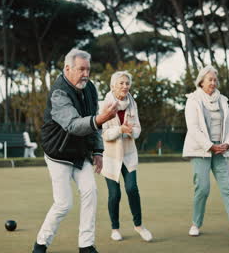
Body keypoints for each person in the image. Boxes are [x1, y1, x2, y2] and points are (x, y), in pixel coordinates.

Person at [32, 48, 118, 253]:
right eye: (81, 69)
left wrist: (98, 151)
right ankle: (41, 244)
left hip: (80, 153)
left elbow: (92, 121)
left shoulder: (90, 88)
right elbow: (73, 125)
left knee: (91, 192)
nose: (86, 74)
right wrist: (100, 120)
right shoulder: (59, 92)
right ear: (68, 68)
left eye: (88, 69)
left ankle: (86, 245)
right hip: (58, 154)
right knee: (64, 204)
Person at [183, 65, 229, 241]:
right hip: (200, 150)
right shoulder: (193, 100)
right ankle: (195, 224)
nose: (213, 83)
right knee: (202, 188)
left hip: (221, 150)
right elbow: (193, 128)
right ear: (201, 81)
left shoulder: (223, 100)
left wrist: (227, 143)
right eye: (209, 80)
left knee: (228, 188)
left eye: (215, 80)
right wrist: (209, 146)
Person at [100, 71, 153, 242]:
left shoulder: (132, 103)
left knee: (132, 189)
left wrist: (132, 131)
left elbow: (137, 128)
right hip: (110, 157)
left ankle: (139, 226)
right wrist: (120, 130)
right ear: (113, 86)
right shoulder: (105, 105)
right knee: (114, 195)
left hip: (129, 154)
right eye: (121, 83)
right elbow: (105, 134)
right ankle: (115, 228)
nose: (125, 86)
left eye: (127, 83)